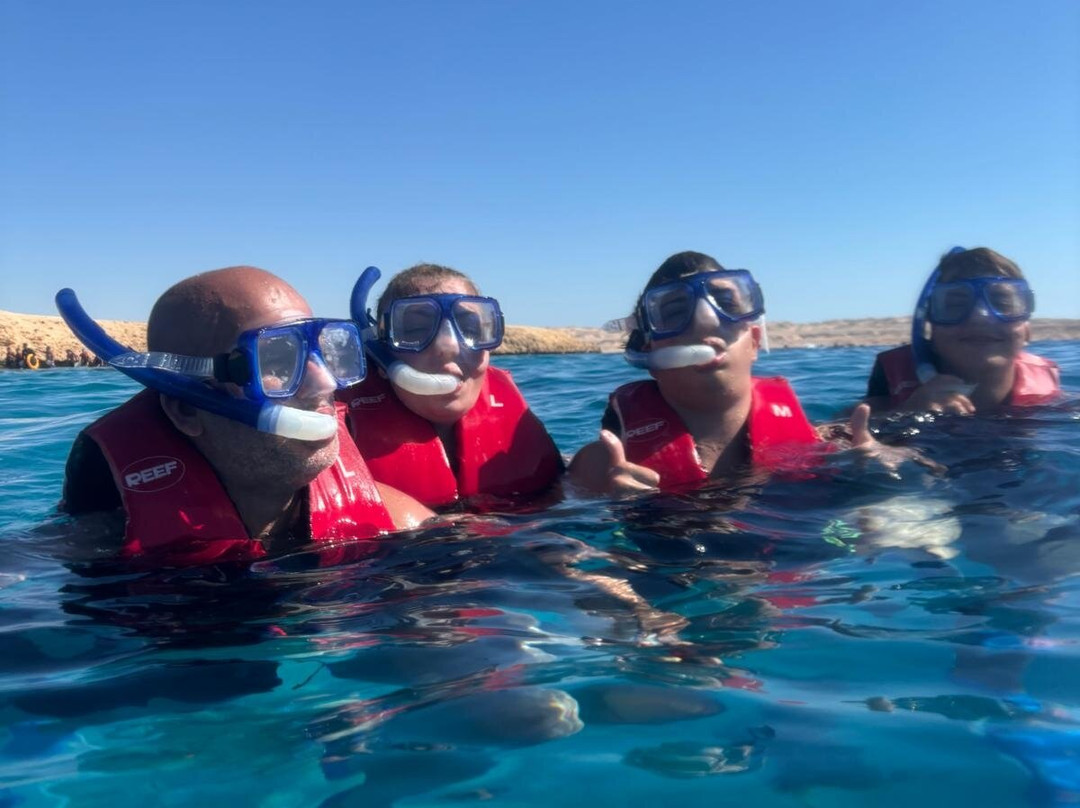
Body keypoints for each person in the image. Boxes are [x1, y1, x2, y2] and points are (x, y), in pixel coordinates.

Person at [58, 265, 433, 568]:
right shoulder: (95, 552)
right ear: (187, 408)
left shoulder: (401, 527)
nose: (324, 382)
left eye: (326, 353)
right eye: (278, 361)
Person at [569, 251, 904, 496]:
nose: (707, 321)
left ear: (754, 342)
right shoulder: (603, 466)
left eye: (726, 306)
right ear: (648, 353)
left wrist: (876, 472)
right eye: (673, 312)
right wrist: (614, 516)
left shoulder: (830, 443)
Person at [338, 263, 564, 510]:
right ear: (379, 353)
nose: (449, 347)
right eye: (415, 330)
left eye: (470, 329)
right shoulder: (335, 439)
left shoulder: (513, 419)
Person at [865, 247, 1061, 414]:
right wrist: (904, 416)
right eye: (956, 305)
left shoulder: (1052, 399)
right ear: (929, 330)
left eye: (1001, 303)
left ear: (1027, 331)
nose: (980, 316)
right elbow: (841, 433)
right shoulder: (890, 389)